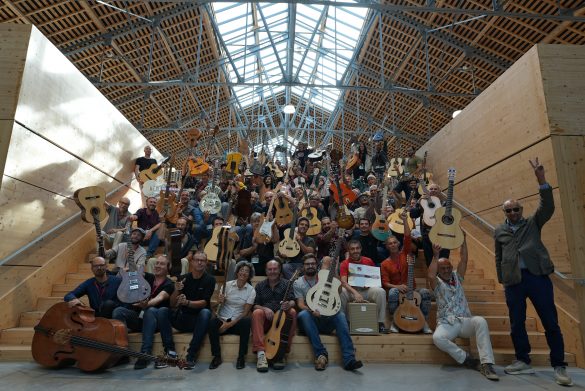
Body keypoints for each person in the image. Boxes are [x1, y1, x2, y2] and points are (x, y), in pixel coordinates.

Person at [494, 158, 572, 386]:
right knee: (516, 322)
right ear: (505, 212)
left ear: (521, 210)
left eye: (516, 209)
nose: (513, 212)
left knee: (550, 321)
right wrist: (502, 278)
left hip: (537, 277)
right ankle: (522, 360)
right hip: (513, 281)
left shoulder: (533, 223)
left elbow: (547, 206)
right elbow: (498, 256)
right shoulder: (499, 231)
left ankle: (559, 365)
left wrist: (541, 180)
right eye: (509, 210)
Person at [429, 241, 499, 381]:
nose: (446, 270)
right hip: (448, 323)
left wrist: (463, 241)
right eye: (442, 268)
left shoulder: (457, 277)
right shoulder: (436, 283)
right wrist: (435, 255)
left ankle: (487, 363)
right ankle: (467, 359)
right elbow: (430, 274)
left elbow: (464, 259)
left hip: (465, 320)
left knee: (480, 321)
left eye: (448, 267)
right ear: (438, 269)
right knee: (437, 338)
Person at [294, 254, 363, 371]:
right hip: (311, 321)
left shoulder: (324, 277)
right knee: (303, 314)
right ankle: (321, 354)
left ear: (317, 265)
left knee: (340, 315)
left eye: (313, 263)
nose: (310, 266)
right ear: (303, 267)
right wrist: (312, 310)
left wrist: (334, 271)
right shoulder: (298, 283)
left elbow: (340, 290)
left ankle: (349, 359)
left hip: (327, 319)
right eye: (307, 264)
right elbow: (300, 304)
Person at [111, 255, 176, 370]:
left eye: (161, 264)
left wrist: (147, 304)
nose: (157, 266)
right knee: (118, 311)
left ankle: (145, 353)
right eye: (156, 263)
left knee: (150, 310)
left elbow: (160, 298)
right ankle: (123, 351)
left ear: (168, 267)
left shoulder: (169, 284)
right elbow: (136, 273)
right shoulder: (148, 277)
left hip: (155, 322)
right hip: (139, 319)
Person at [380, 211, 432, 333]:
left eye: (394, 243)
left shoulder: (405, 253)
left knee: (424, 292)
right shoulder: (384, 264)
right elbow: (385, 283)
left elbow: (407, 236)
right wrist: (397, 286)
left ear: (398, 244)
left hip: (411, 291)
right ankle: (395, 321)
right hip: (397, 291)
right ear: (387, 247)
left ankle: (424, 321)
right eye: (390, 244)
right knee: (392, 292)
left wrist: (404, 221)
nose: (392, 245)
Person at [169, 251, 216, 369]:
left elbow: (204, 303)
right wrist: (176, 290)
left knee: (206, 312)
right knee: (162, 311)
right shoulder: (183, 278)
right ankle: (170, 351)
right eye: (197, 260)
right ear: (192, 262)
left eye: (203, 260)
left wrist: (187, 302)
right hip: (183, 318)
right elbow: (172, 303)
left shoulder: (210, 280)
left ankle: (191, 354)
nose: (200, 262)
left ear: (206, 263)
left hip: (199, 322)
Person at [208, 261, 256, 370]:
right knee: (211, 323)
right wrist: (220, 301)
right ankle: (217, 356)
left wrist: (228, 325)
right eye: (241, 270)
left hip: (237, 322)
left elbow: (245, 313)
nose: (243, 273)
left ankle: (241, 357)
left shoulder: (251, 290)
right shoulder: (227, 285)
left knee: (246, 321)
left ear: (249, 275)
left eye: (246, 271)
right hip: (223, 318)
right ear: (237, 272)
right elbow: (217, 307)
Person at [252, 260, 297, 372]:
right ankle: (261, 354)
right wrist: (264, 308)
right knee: (257, 312)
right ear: (266, 271)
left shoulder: (287, 284)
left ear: (279, 270)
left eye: (275, 269)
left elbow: (293, 301)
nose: (272, 271)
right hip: (266, 320)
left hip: (281, 320)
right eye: (270, 269)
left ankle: (282, 353)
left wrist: (288, 304)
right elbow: (255, 305)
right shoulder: (260, 285)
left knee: (292, 312)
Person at [339, 240, 388, 333]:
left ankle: (380, 323)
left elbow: (374, 278)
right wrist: (355, 293)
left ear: (360, 249)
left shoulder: (368, 261)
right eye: (352, 249)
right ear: (349, 251)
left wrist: (370, 284)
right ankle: (344, 322)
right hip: (352, 291)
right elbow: (343, 282)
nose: (355, 251)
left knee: (381, 291)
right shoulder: (344, 263)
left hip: (367, 290)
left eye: (357, 248)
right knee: (342, 291)